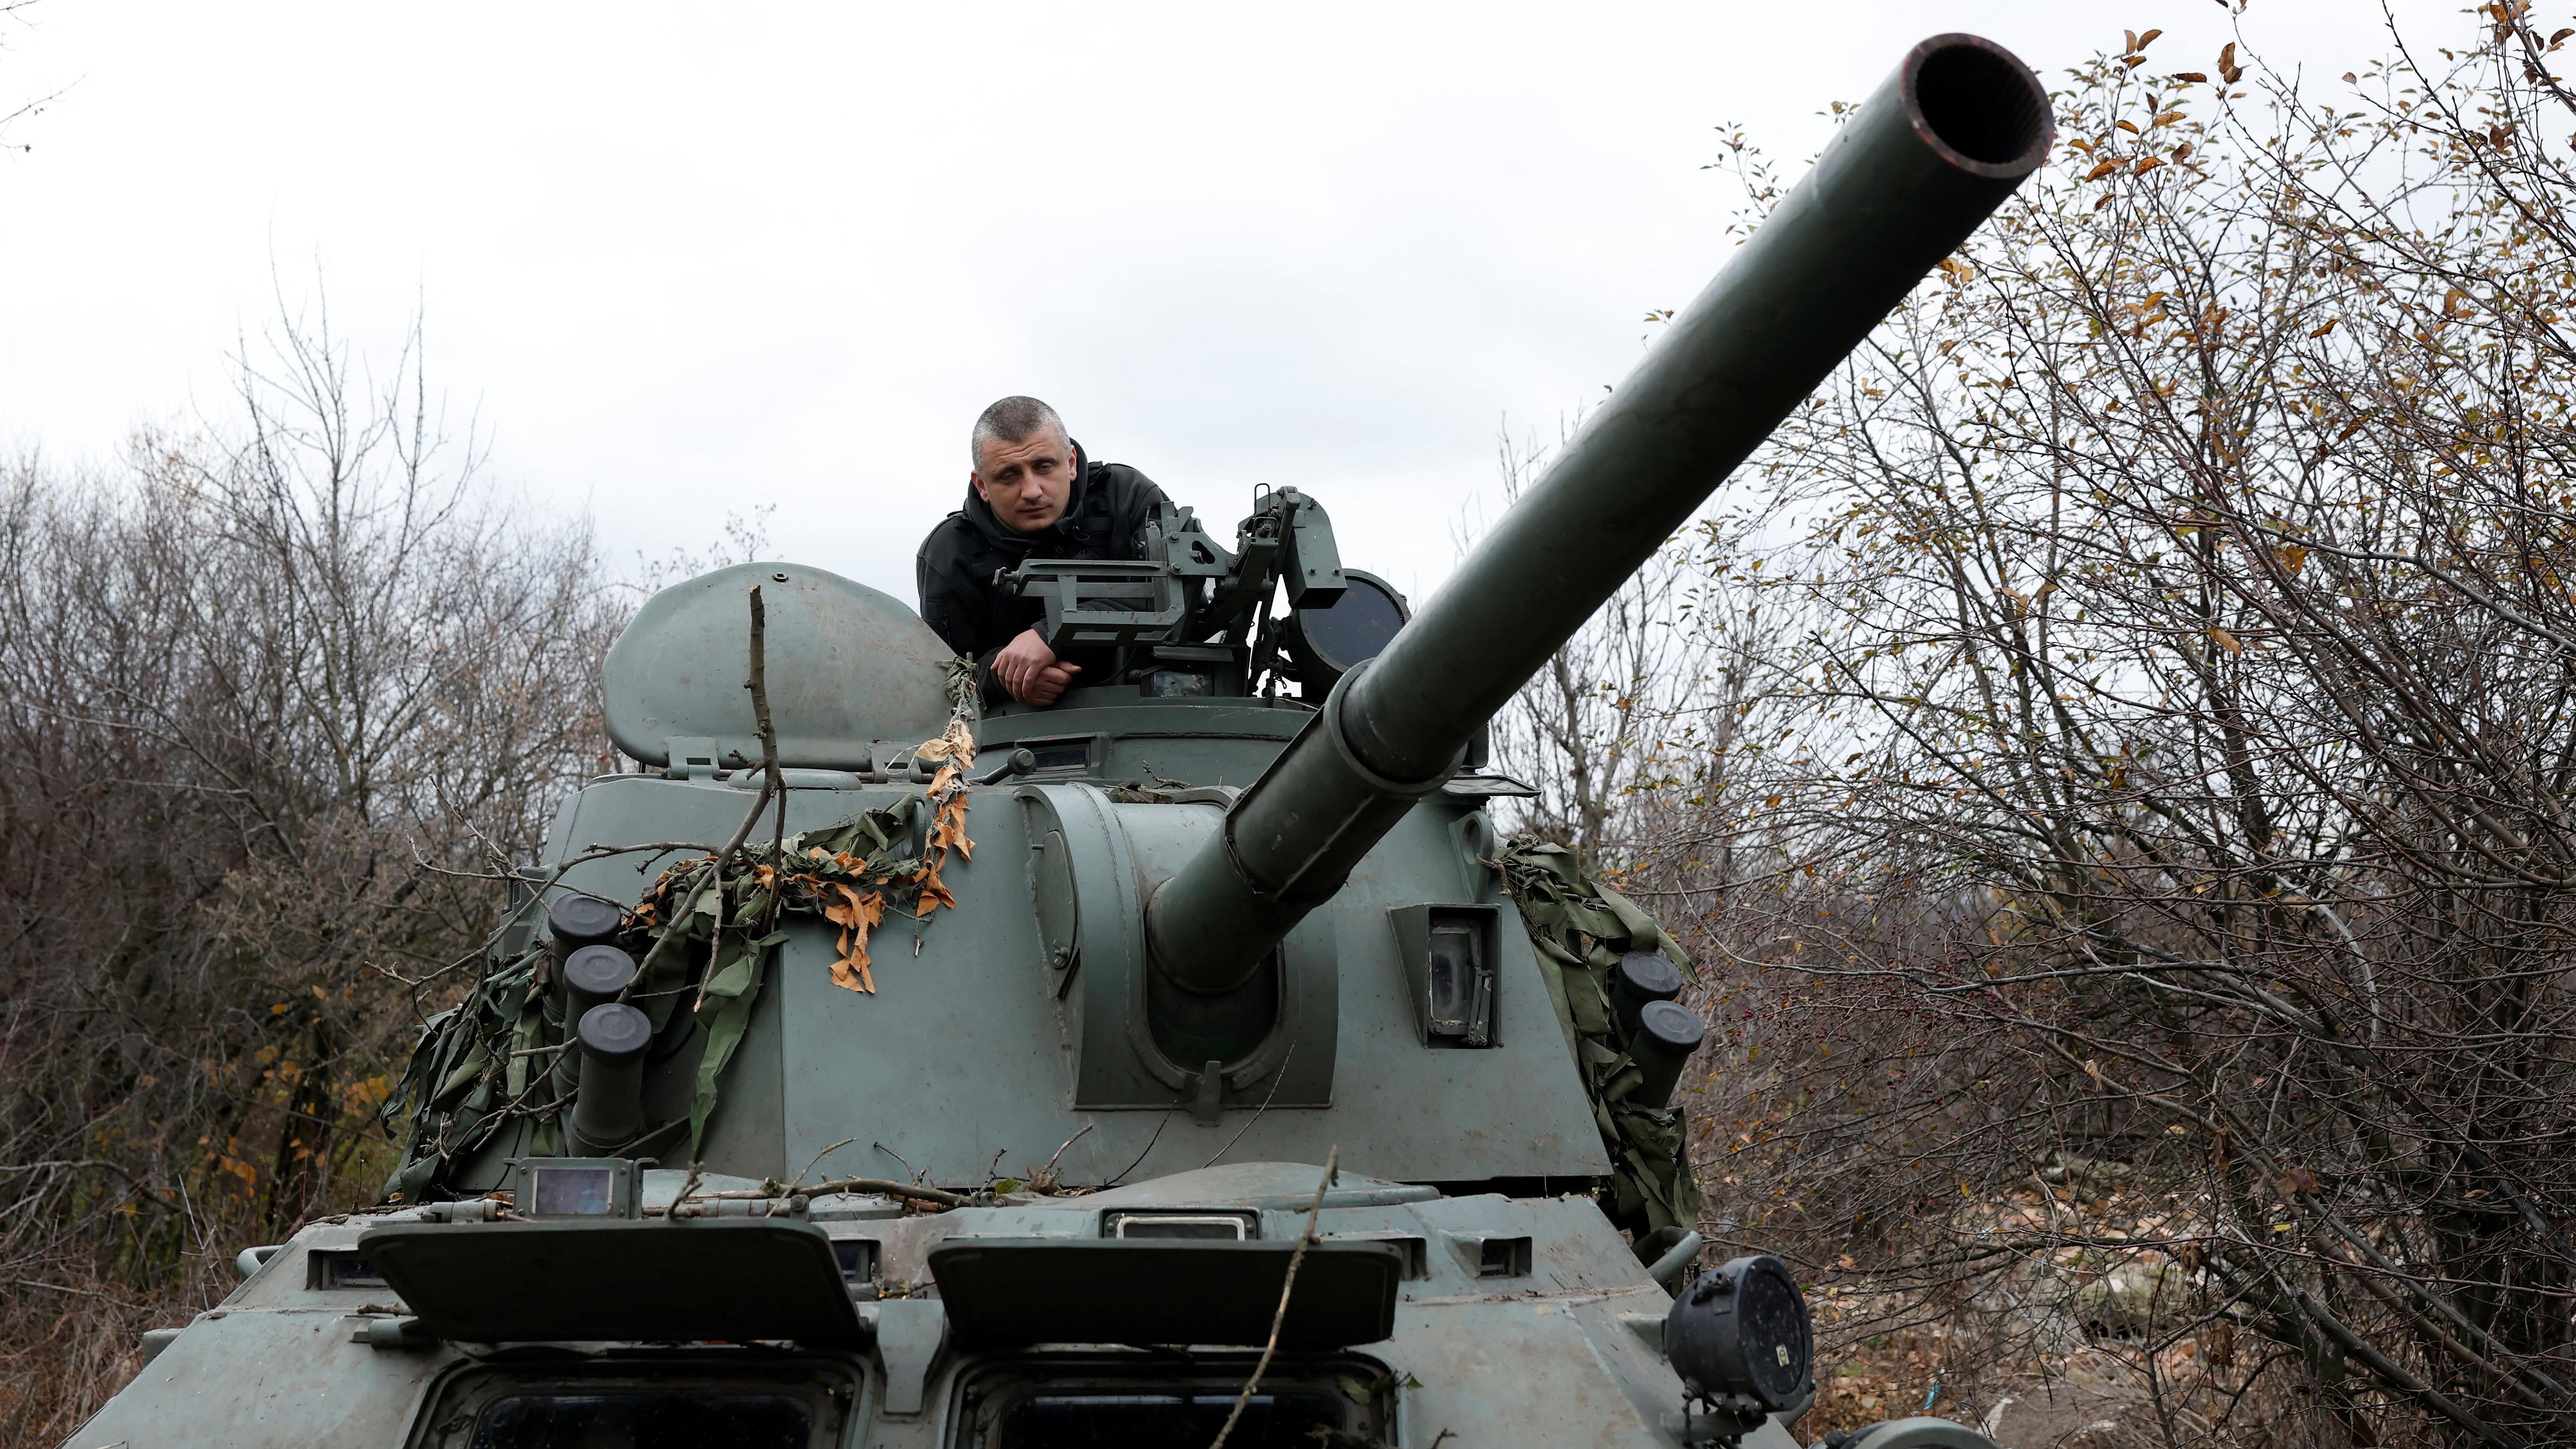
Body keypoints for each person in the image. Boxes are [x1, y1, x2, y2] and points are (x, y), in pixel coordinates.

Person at [915, 396, 1172, 707]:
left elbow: (1180, 591)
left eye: (1044, 467)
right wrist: (1008, 676)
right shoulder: (949, 553)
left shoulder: (1126, 497)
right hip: (1012, 732)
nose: (1032, 491)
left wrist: (1052, 633)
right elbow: (942, 675)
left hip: (1149, 702)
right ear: (982, 485)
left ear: (1072, 463)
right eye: (1009, 475)